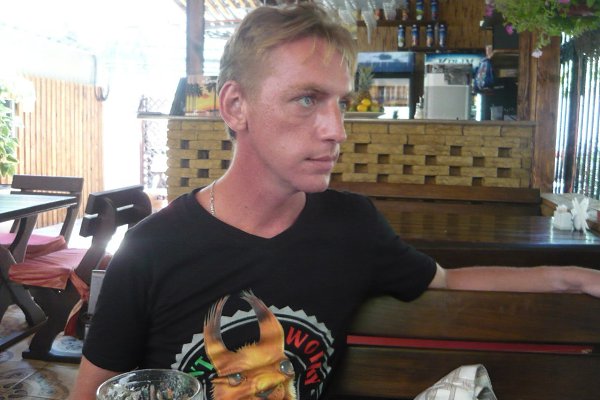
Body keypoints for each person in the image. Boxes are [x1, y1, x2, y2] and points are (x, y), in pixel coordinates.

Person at [70, 3, 600, 399]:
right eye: (307, 99)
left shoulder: (352, 228)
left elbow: (447, 281)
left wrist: (573, 277)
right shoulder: (150, 249)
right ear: (235, 106)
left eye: (339, 103)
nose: (337, 130)